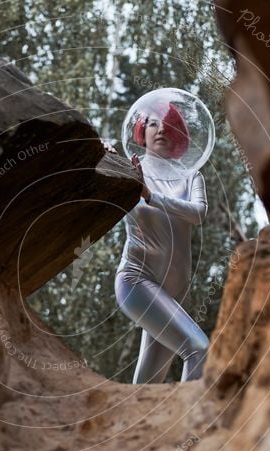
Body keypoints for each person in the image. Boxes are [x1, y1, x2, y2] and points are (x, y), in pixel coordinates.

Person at [111, 102, 210, 384]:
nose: (161, 129)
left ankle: (129, 428)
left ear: (179, 133)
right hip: (136, 281)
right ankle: (191, 428)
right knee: (199, 348)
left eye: (169, 124)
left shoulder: (192, 175)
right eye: (153, 123)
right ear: (142, 130)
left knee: (147, 388)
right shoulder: (130, 169)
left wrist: (151, 196)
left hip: (175, 294)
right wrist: (102, 155)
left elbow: (198, 213)